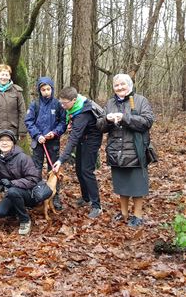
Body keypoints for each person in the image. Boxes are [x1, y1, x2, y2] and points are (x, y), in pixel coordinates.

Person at [96, 74, 154, 227]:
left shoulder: (140, 101)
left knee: (136, 185)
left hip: (135, 150)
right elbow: (100, 126)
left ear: (130, 85)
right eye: (116, 85)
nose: (120, 87)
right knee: (121, 184)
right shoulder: (110, 103)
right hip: (116, 150)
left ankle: (138, 215)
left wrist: (124, 117)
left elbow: (147, 122)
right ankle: (123, 213)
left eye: (123, 84)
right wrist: (107, 120)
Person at [52, 87, 103, 219]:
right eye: (61, 103)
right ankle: (86, 198)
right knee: (79, 169)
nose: (62, 106)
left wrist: (60, 160)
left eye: (65, 103)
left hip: (91, 141)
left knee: (87, 171)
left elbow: (73, 139)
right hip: (83, 138)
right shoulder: (76, 107)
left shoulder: (83, 113)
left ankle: (96, 206)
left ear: (74, 100)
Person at [24, 76, 67, 210]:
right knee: (36, 169)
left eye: (48, 89)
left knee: (53, 170)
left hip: (52, 142)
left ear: (52, 89)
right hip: (38, 143)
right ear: (39, 90)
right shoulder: (35, 104)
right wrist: (37, 135)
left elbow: (63, 122)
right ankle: (36, 196)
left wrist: (54, 133)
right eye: (43, 90)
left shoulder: (58, 104)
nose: (46, 92)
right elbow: (29, 122)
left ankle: (54, 196)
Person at [0, 130, 40, 235]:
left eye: (8, 140)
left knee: (13, 191)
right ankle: (16, 210)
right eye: (1, 140)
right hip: (13, 193)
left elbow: (33, 179)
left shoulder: (23, 157)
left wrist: (12, 183)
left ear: (13, 143)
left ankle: (25, 220)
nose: (4, 143)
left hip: (29, 194)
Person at [0, 64, 27, 154]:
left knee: (13, 157)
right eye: (2, 74)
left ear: (10, 76)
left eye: (6, 75)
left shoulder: (17, 91)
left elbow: (22, 112)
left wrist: (22, 131)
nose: (4, 77)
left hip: (13, 130)